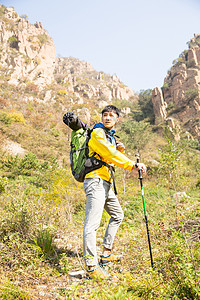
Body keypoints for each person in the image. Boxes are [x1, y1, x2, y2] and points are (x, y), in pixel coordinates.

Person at [83, 105, 146, 280]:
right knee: (92, 224)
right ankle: (91, 265)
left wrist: (121, 151)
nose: (107, 118)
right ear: (101, 118)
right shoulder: (97, 133)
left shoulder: (109, 136)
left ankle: (105, 253)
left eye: (111, 115)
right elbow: (108, 153)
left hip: (106, 182)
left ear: (117, 119)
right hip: (95, 181)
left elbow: (109, 157)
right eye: (105, 115)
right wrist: (132, 164)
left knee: (118, 215)